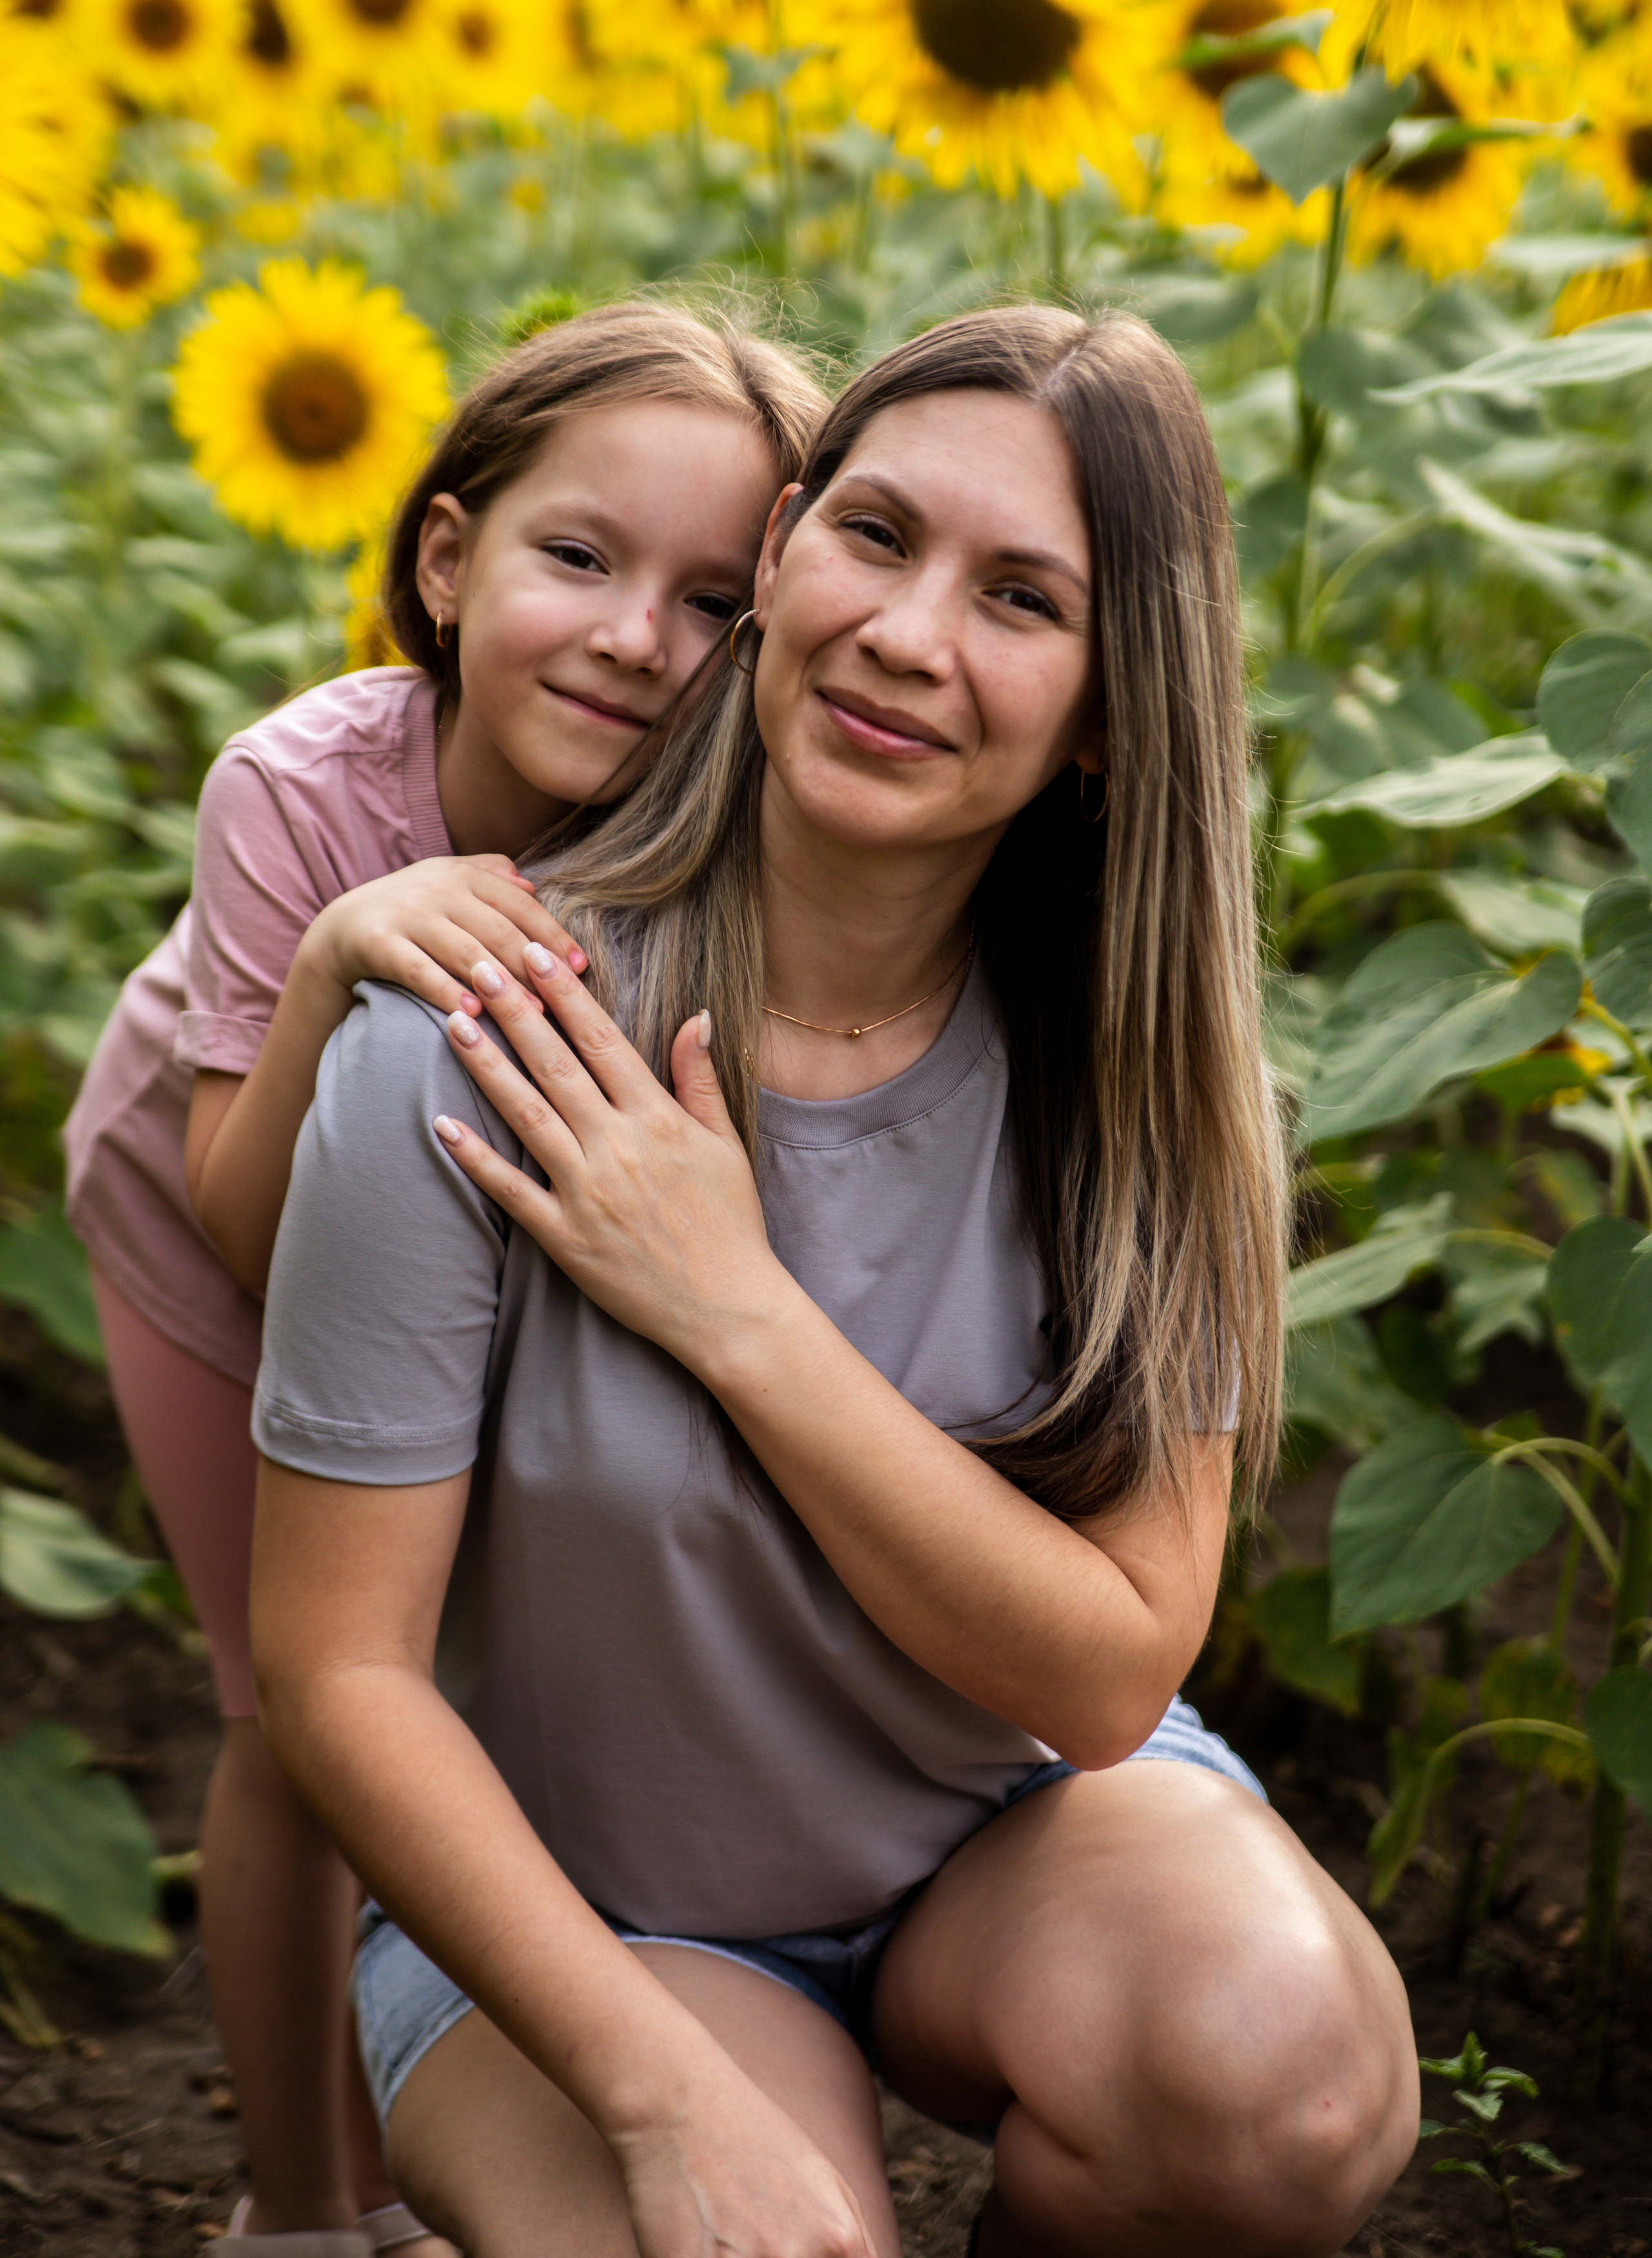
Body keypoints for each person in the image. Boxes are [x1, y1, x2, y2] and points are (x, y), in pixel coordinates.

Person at [250, 305, 1420, 2258]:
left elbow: (1113, 1668)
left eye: (1022, 598)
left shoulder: (1153, 1091)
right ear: (782, 547)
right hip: (596, 1907)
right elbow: (336, 1673)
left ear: (1115, 706)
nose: (906, 635)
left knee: (1275, 2079)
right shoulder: (479, 1033)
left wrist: (738, 1311)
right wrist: (663, 2103)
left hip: (1013, 1832)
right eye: (877, 537)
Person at [63, 301, 827, 2258]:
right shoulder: (305, 788)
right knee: (292, 1712)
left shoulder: (721, 824)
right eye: (580, 558)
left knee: (433, 1690)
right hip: (199, 1234)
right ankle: (307, 2209)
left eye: (714, 602)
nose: (637, 639)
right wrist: (340, 955)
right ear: (448, 554)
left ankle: (428, 2118)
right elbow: (247, 1218)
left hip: (470, 1249)